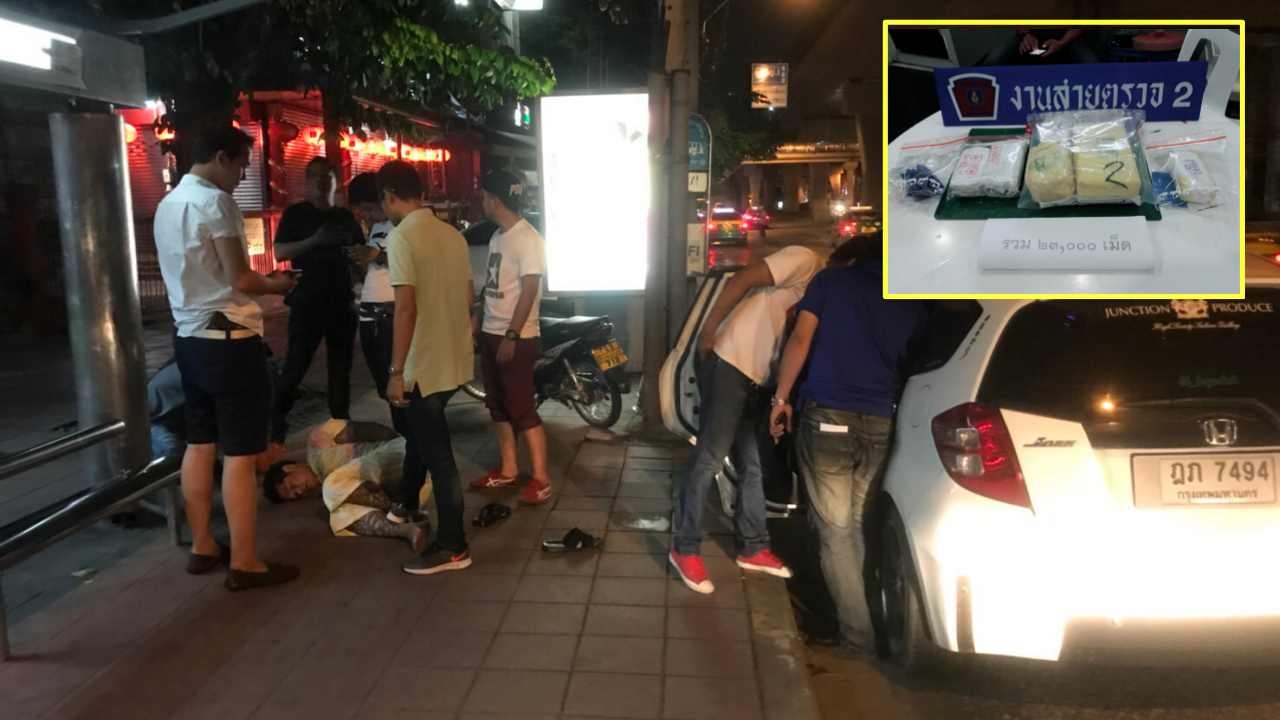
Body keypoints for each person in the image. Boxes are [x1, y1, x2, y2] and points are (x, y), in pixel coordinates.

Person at [153, 123, 299, 591]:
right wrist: (278, 283)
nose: (241, 177)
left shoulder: (167, 204)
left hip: (189, 339)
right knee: (240, 451)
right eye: (240, 166)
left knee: (200, 443)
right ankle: (246, 562)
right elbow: (242, 279)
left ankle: (203, 546)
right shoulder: (215, 203)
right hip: (230, 340)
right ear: (221, 157)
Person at [768, 233, 926, 653]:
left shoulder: (831, 283)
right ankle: (874, 623)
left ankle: (857, 636)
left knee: (836, 532)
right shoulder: (911, 296)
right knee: (858, 524)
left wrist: (781, 399)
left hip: (829, 417)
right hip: (881, 420)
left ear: (853, 258)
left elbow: (800, 339)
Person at [669, 245, 822, 595]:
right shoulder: (807, 260)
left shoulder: (820, 291)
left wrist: (780, 396)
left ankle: (753, 547)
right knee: (709, 457)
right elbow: (743, 279)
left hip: (757, 378)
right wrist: (708, 331)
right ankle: (684, 547)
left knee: (752, 466)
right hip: (730, 362)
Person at [379, 160, 476, 575]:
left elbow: (405, 308)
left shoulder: (402, 237)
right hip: (453, 358)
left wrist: (396, 371)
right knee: (422, 433)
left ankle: (453, 545)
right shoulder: (452, 234)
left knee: (439, 455)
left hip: (423, 363)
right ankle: (405, 503)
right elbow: (469, 297)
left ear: (389, 197)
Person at [469, 169, 553, 505]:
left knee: (521, 407)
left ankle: (541, 478)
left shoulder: (528, 239)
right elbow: (493, 285)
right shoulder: (497, 236)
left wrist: (512, 335)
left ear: (495, 200)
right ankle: (508, 469)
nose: (482, 202)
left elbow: (530, 290)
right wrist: (478, 319)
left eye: (484, 196)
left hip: (516, 336)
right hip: (492, 331)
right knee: (497, 404)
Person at [271, 157, 365, 445]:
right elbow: (280, 252)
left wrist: (359, 264)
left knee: (341, 370)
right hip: (307, 302)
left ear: (336, 181)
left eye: (328, 176)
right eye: (315, 177)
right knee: (295, 367)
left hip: (342, 301)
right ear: (307, 181)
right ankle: (275, 430)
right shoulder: (296, 214)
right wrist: (315, 240)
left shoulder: (345, 217)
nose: (322, 182)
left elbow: (360, 254)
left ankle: (340, 429)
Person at [261, 419, 429, 552]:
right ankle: (406, 529)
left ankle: (403, 507)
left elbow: (368, 430)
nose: (298, 492)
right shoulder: (332, 495)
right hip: (412, 491)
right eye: (294, 495)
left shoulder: (317, 441)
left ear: (289, 468)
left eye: (291, 486)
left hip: (400, 458)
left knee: (331, 488)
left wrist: (409, 446)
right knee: (338, 516)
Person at [345, 172, 401, 411]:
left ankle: (408, 429)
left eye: (369, 208)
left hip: (389, 312)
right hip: (369, 313)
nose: (365, 215)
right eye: (361, 210)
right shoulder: (376, 227)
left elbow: (408, 262)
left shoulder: (401, 225)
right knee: (382, 384)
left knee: (396, 384)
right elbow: (373, 267)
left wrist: (377, 255)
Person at [985, 28, 1098, 65]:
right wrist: (1026, 35)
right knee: (993, 60)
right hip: (1031, 35)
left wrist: (1062, 42)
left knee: (1091, 64)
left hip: (1066, 37)